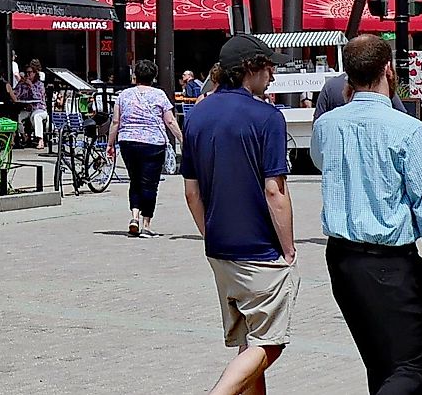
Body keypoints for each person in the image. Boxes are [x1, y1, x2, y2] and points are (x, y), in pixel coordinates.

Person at [316, 34, 422, 395]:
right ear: (388, 70)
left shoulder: (327, 125)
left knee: (381, 360)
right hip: (389, 261)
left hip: (342, 259)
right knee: (416, 363)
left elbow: (323, 164)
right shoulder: (407, 129)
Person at [181, 35, 297, 395]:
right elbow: (274, 190)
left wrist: (209, 232)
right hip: (260, 248)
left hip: (219, 247)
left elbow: (191, 191)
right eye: (268, 67)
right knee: (271, 342)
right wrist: (289, 248)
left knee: (250, 342)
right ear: (250, 69)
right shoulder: (268, 117)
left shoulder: (197, 115)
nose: (273, 75)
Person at [114, 58, 185, 238]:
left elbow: (116, 121)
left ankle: (134, 217)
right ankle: (146, 224)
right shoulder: (159, 95)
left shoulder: (123, 95)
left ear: (135, 76)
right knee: (150, 183)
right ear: (153, 77)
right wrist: (183, 139)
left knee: (135, 180)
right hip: (153, 143)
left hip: (127, 141)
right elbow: (169, 120)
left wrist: (109, 144)